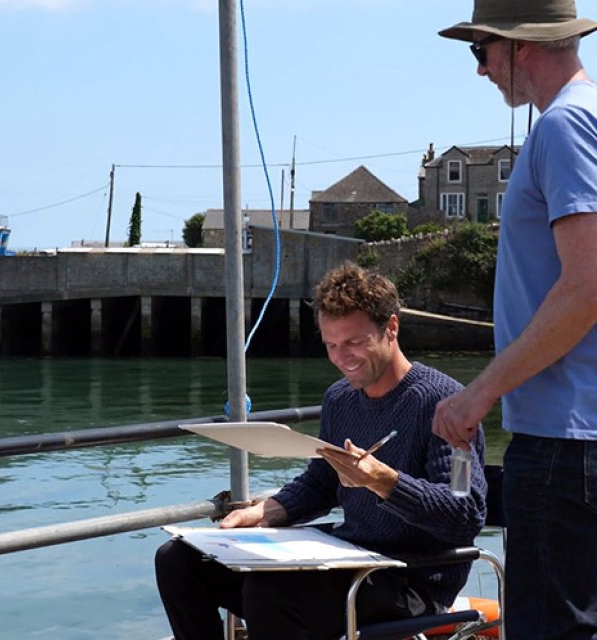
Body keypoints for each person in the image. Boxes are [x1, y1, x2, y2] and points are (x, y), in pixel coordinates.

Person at [155, 261, 486, 640]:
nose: (342, 357)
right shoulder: (340, 399)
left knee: (269, 591)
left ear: (391, 328)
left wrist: (385, 482)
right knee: (178, 560)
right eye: (331, 345)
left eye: (354, 342)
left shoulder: (446, 403)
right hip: (349, 557)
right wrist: (270, 510)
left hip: (413, 575)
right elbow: (322, 482)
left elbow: (465, 513)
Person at [433, 1, 597, 638]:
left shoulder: (564, 127)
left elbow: (585, 288)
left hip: (563, 443)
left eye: (481, 51)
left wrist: (478, 395)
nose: (481, 71)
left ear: (519, 46)